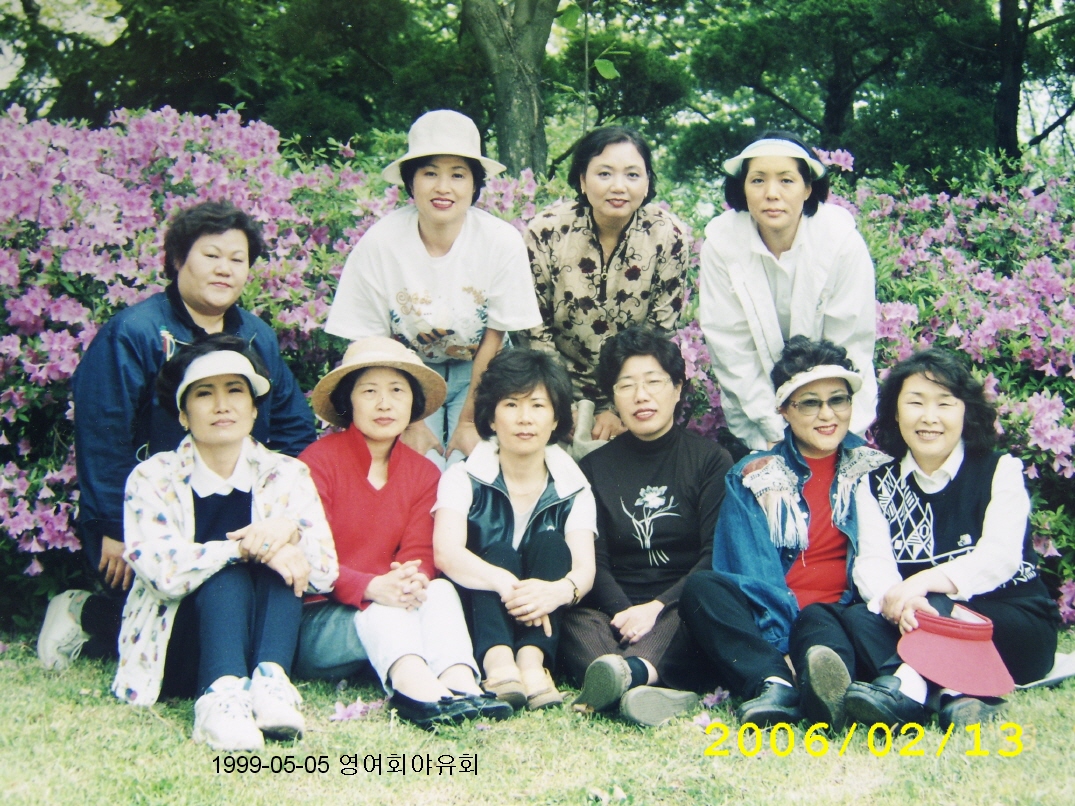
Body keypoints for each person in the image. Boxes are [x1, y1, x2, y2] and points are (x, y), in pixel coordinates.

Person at [38, 201, 316, 673]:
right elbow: (103, 433)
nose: (225, 269)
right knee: (173, 625)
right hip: (154, 511)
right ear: (177, 259)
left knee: (239, 604)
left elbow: (293, 428)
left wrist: (284, 508)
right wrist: (113, 528)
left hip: (235, 502)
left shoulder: (257, 337)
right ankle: (83, 611)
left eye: (238, 259)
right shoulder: (134, 333)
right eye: (211, 255)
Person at [110, 335, 338, 752]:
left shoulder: (287, 474)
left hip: (258, 641)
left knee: (284, 560)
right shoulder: (153, 477)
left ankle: (270, 683)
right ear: (183, 414)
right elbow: (161, 571)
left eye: (235, 391)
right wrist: (240, 549)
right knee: (229, 574)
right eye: (203, 394)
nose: (221, 405)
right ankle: (219, 698)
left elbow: (324, 574)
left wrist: (288, 533)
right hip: (179, 644)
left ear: (253, 408)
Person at [835, 348, 1061, 730]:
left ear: (964, 411)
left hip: (1008, 622)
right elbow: (872, 562)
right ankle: (955, 695)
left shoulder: (999, 470)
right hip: (916, 619)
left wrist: (921, 585)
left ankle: (907, 688)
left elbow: (1000, 557)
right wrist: (900, 602)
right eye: (915, 402)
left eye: (944, 403)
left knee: (940, 605)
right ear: (895, 412)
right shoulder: (873, 486)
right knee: (858, 615)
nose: (929, 417)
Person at [296, 337, 511, 727]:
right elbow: (309, 558)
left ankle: (461, 683)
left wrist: (408, 581)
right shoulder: (317, 462)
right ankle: (418, 692)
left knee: (439, 589)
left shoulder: (422, 472)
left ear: (413, 402)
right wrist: (371, 586)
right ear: (348, 401)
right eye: (369, 392)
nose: (384, 403)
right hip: (323, 620)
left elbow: (419, 554)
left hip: (395, 606)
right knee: (384, 610)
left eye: (397, 391)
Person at [680, 336, 889, 727]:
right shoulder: (756, 475)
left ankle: (800, 682)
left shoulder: (874, 470)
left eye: (838, 400)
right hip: (772, 622)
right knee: (703, 589)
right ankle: (779, 680)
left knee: (842, 620)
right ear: (784, 410)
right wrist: (782, 646)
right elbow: (752, 574)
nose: (827, 414)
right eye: (810, 403)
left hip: (843, 619)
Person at [324, 109, 542, 466]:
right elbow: (374, 343)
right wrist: (410, 420)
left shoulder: (501, 241)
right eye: (429, 173)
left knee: (469, 464)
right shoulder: (379, 243)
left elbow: (495, 335)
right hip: (405, 372)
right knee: (418, 465)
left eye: (458, 174)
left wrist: (468, 421)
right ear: (411, 182)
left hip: (481, 370)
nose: (443, 187)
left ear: (475, 184)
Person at [562, 327, 733, 726]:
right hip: (614, 611)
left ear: (677, 389)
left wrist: (654, 609)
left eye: (653, 382)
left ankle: (622, 678)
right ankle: (644, 685)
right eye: (627, 386)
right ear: (614, 397)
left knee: (694, 609)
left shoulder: (710, 461)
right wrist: (625, 613)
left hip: (675, 604)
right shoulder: (594, 467)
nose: (641, 396)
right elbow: (595, 559)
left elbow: (714, 555)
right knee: (572, 616)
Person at [433, 349, 597, 710]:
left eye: (537, 406)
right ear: (491, 418)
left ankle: (532, 664)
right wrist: (502, 581)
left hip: (544, 613)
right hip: (479, 611)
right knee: (499, 553)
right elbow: (446, 553)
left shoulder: (574, 487)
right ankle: (498, 664)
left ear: (555, 419)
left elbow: (585, 569)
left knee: (552, 545)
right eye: (511, 405)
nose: (525, 419)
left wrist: (557, 591)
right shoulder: (463, 476)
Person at [698, 131, 877, 452]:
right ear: (742, 186)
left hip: (835, 415)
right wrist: (774, 428)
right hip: (758, 419)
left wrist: (818, 429)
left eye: (786, 180)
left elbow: (848, 343)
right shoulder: (722, 244)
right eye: (757, 180)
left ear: (807, 188)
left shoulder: (841, 241)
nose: (771, 193)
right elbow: (732, 349)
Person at [525, 126, 690, 441]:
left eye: (632, 175)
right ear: (582, 180)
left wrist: (617, 409)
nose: (618, 186)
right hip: (554, 389)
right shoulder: (546, 231)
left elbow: (659, 333)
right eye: (604, 174)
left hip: (634, 394)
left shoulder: (668, 235)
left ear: (647, 182)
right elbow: (533, 330)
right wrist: (562, 405)